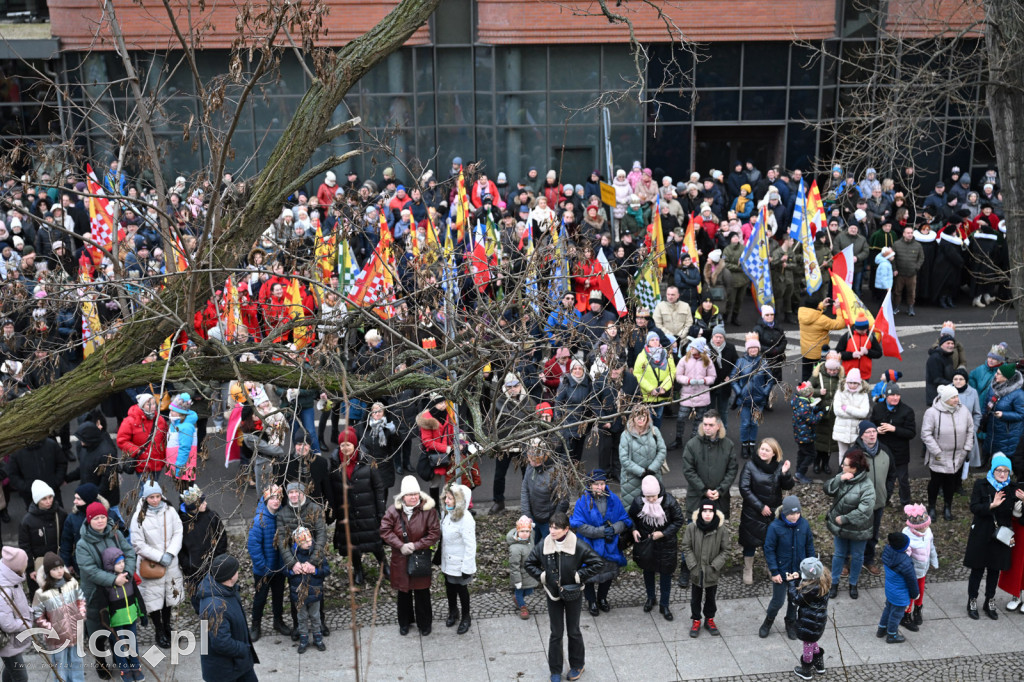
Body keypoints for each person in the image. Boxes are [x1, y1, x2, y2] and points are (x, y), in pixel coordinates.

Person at [525, 510, 603, 682]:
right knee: (556, 632)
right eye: (551, 527)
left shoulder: (578, 545)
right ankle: (555, 670)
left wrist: (579, 576)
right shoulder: (544, 545)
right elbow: (529, 563)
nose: (552, 531)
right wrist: (543, 577)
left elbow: (597, 563)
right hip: (553, 594)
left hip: (573, 593)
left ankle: (577, 665)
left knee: (573, 631)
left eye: (557, 528)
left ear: (566, 529)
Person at [76, 503, 135, 681]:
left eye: (102, 517)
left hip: (118, 590)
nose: (100, 521)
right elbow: (90, 570)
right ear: (89, 520)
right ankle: (101, 662)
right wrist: (113, 579)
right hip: (96, 593)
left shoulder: (115, 533)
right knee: (97, 631)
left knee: (117, 626)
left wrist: (128, 573)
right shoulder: (82, 544)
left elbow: (129, 552)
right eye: (96, 518)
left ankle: (119, 657)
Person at [679, 409, 736, 589]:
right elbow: (688, 470)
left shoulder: (728, 445)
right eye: (705, 424)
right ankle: (686, 569)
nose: (707, 428)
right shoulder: (692, 444)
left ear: (719, 426)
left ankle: (712, 568)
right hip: (697, 498)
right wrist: (704, 490)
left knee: (716, 536)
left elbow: (732, 470)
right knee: (692, 535)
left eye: (711, 425)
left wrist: (721, 490)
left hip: (719, 499)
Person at [379, 476, 441, 636]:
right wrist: (400, 545)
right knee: (403, 592)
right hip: (400, 558)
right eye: (409, 494)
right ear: (402, 496)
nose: (413, 497)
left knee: (422, 593)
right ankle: (405, 622)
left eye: (416, 493)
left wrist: (415, 545)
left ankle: (425, 623)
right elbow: (385, 530)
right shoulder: (393, 510)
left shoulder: (429, 510)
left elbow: (434, 533)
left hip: (420, 557)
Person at [129, 479, 184, 650]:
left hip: (170, 563)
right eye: (151, 497)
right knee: (154, 601)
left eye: (157, 496)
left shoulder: (170, 511)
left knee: (168, 598)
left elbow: (178, 531)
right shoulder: (139, 516)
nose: (155, 500)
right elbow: (138, 543)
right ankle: (159, 631)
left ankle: (167, 627)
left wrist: (170, 553)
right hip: (152, 566)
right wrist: (160, 556)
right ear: (145, 498)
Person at [329, 427, 387, 587]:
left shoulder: (367, 461)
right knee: (352, 544)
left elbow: (379, 487)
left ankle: (384, 566)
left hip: (367, 509)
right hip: (347, 511)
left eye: (348, 444)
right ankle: (358, 570)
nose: (345, 448)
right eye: (342, 445)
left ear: (355, 445)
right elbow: (332, 489)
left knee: (375, 541)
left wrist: (380, 511)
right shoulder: (334, 464)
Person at [570, 469, 631, 617]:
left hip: (610, 546)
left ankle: (602, 598)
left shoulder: (614, 499)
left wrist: (614, 529)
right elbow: (579, 525)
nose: (599, 487)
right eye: (596, 484)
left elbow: (624, 519)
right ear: (590, 485)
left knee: (608, 574)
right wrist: (601, 532)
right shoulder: (582, 501)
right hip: (588, 546)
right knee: (588, 577)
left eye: (602, 484)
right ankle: (591, 601)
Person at [964, 454, 1017, 620]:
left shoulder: (1011, 489)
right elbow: (974, 507)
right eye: (999, 470)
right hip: (981, 533)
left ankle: (989, 600)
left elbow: (1016, 515)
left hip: (1000, 536)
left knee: (994, 570)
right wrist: (991, 505)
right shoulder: (982, 485)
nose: (1002, 474)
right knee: (977, 569)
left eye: (1006, 471)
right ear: (993, 470)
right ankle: (972, 600)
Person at [738, 438, 794, 585]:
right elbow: (744, 488)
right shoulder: (750, 465)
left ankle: (771, 567)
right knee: (750, 541)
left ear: (774, 453)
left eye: (767, 450)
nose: (763, 452)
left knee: (770, 542)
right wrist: (760, 506)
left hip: (773, 513)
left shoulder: (779, 466)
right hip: (753, 512)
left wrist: (785, 474)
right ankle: (748, 568)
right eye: (762, 449)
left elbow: (787, 486)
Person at [628, 475, 684, 621]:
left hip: (666, 544)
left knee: (666, 574)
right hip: (648, 543)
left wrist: (663, 533)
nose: (651, 500)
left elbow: (679, 520)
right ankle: (650, 598)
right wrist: (634, 529)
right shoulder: (638, 502)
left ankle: (664, 604)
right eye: (648, 497)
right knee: (648, 571)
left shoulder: (670, 502)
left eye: (653, 496)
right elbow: (631, 518)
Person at [197, 554, 259, 682]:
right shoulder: (217, 607)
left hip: (238, 664)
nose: (238, 572)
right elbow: (221, 642)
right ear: (230, 576)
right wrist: (243, 649)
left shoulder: (224, 590)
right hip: (225, 671)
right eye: (236, 570)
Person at [824, 449, 875, 600]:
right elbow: (827, 489)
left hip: (859, 529)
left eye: (845, 465)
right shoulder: (843, 477)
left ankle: (853, 583)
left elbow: (865, 510)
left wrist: (845, 519)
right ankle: (834, 583)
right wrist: (839, 478)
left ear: (855, 468)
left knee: (858, 556)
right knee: (839, 554)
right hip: (841, 527)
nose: (841, 466)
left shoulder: (867, 486)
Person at [761, 495, 815, 640]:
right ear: (784, 513)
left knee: (794, 600)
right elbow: (769, 549)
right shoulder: (775, 527)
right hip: (781, 571)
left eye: (797, 513)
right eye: (791, 513)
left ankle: (790, 623)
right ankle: (768, 621)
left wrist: (811, 567)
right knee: (777, 601)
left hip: (799, 572)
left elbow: (809, 545)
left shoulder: (804, 524)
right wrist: (774, 571)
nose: (795, 516)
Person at [922, 384, 974, 521]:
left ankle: (947, 507)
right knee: (935, 482)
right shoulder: (932, 413)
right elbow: (926, 434)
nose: (957, 399)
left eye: (957, 396)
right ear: (945, 399)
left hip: (957, 456)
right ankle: (932, 507)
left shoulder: (964, 411)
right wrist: (937, 452)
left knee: (950, 483)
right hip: (938, 456)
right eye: (953, 397)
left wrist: (967, 448)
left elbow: (970, 429)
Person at [31, 552, 87, 682]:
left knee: (76, 662)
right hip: (57, 637)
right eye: (55, 569)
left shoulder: (72, 583)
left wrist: (81, 615)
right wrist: (51, 629)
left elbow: (81, 600)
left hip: (75, 632)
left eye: (61, 567)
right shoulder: (41, 593)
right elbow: (38, 616)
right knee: (60, 665)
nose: (59, 571)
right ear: (48, 572)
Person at [246, 484, 291, 641]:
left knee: (278, 595)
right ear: (266, 500)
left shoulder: (282, 516)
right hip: (263, 569)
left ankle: (278, 621)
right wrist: (263, 566)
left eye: (278, 497)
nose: (276, 501)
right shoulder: (259, 521)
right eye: (272, 498)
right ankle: (255, 625)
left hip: (279, 567)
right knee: (260, 598)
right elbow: (253, 546)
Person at [681, 501, 730, 638]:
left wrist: (715, 565)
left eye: (710, 511)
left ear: (714, 513)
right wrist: (692, 565)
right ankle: (696, 620)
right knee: (695, 598)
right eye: (705, 511)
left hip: (712, 572)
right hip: (696, 571)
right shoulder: (692, 527)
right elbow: (686, 546)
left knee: (711, 597)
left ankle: (709, 620)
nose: (707, 514)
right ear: (700, 512)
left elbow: (726, 550)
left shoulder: (721, 530)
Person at [180, 485, 229, 613]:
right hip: (193, 570)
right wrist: (187, 564)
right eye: (202, 502)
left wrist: (217, 557)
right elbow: (179, 547)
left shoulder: (211, 516)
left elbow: (222, 537)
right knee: (197, 597)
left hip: (213, 565)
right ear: (194, 507)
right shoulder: (181, 523)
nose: (206, 503)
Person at [855, 422, 895, 576]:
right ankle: (846, 560)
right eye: (868, 432)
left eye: (874, 431)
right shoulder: (854, 453)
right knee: (852, 533)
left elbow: (892, 474)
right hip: (858, 505)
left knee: (873, 534)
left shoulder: (885, 451)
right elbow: (843, 477)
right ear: (861, 435)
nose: (872, 434)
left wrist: (887, 493)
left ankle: (868, 559)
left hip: (878, 502)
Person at [98, 547, 144, 679]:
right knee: (120, 646)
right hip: (116, 621)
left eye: (123, 562)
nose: (122, 565)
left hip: (131, 618)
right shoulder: (106, 583)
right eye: (118, 563)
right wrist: (107, 624)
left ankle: (136, 666)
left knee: (133, 643)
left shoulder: (129, 577)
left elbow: (137, 596)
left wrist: (142, 614)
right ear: (110, 565)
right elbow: (103, 606)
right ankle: (125, 670)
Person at [17, 480, 66, 597]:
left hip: (58, 563)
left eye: (50, 497)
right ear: (37, 500)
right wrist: (30, 569)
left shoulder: (61, 514)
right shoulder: (27, 521)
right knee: (42, 598)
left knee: (62, 595)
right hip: (38, 566)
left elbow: (66, 539)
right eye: (44, 499)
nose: (49, 501)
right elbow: (24, 546)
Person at [871, 382, 917, 506]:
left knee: (902, 480)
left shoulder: (907, 411)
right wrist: (876, 430)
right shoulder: (878, 408)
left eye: (898, 395)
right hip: (883, 451)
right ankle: (884, 501)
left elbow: (911, 433)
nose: (895, 397)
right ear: (886, 396)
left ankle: (905, 503)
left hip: (900, 452)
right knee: (883, 478)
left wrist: (894, 429)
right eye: (892, 395)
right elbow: (871, 425)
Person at [440, 484, 476, 635]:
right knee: (450, 588)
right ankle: (453, 612)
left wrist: (467, 568)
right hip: (448, 561)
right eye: (446, 497)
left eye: (450, 498)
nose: (446, 501)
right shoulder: (447, 514)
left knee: (462, 590)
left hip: (460, 564)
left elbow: (470, 545)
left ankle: (466, 617)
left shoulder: (466, 519)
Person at [730, 333, 772, 459]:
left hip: (759, 399)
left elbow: (770, 380)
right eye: (751, 348)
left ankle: (752, 444)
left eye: (755, 348)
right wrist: (738, 391)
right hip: (744, 399)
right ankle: (744, 445)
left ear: (758, 349)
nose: (753, 350)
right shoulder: (741, 361)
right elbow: (733, 378)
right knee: (745, 423)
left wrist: (765, 392)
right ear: (747, 349)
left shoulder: (764, 362)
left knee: (754, 423)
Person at [287, 526, 328, 653]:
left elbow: (326, 570)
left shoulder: (317, 553)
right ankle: (303, 639)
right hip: (298, 593)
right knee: (301, 617)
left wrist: (315, 570)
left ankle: (317, 638)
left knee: (316, 616)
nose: (309, 543)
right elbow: (285, 571)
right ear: (297, 542)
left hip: (314, 592)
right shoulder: (292, 556)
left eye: (310, 540)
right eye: (304, 542)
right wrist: (294, 571)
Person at [672, 338, 717, 448]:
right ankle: (678, 439)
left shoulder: (708, 361)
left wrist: (704, 381)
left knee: (699, 420)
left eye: (693, 347)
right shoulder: (684, 360)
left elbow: (712, 376)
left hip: (702, 394)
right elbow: (678, 376)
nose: (691, 349)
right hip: (687, 394)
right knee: (681, 418)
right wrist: (688, 380)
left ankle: (693, 440)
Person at [618, 406, 667, 507]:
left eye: (643, 416)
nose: (641, 419)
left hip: (653, 475)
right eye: (637, 416)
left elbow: (662, 450)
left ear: (648, 417)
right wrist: (641, 472)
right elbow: (624, 458)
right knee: (633, 509)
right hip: (631, 479)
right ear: (632, 417)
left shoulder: (655, 431)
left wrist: (652, 469)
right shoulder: (625, 434)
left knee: (654, 508)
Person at [790, 557, 831, 679]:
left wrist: (792, 583)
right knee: (812, 641)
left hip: (808, 623)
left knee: (807, 644)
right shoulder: (823, 581)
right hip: (818, 621)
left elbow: (796, 599)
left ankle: (806, 670)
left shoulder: (809, 590)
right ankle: (819, 666)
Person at [877, 532, 920, 644]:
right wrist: (915, 594)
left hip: (890, 590)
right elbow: (912, 580)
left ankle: (881, 629)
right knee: (896, 615)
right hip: (900, 594)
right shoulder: (905, 562)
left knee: (888, 609)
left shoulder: (887, 551)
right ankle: (892, 635)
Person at [521, 444, 567, 545]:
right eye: (530, 460)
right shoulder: (531, 467)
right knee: (532, 547)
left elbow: (563, 500)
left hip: (548, 521)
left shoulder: (556, 473)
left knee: (550, 549)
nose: (532, 464)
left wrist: (554, 523)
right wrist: (526, 514)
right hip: (533, 517)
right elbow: (525, 489)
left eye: (535, 461)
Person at [902, 504, 938, 629]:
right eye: (925, 525)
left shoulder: (927, 532)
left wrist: (934, 560)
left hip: (923, 569)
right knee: (912, 592)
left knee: (920, 591)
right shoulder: (907, 536)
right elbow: (905, 555)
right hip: (912, 571)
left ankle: (918, 609)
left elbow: (931, 547)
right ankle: (906, 614)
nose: (928, 526)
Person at [981, 363, 1024, 462]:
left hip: (1007, 433)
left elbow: (1021, 414)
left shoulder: (1019, 394)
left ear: (1007, 378)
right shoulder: (994, 387)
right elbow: (986, 404)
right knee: (990, 445)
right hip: (992, 427)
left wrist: (1004, 415)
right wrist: (983, 417)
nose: (996, 375)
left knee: (1003, 455)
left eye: (999, 374)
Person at [0, 547, 31, 682]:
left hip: (12, 641)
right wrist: (26, 623)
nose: (27, 565)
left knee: (10, 670)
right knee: (21, 677)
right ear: (17, 566)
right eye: (25, 562)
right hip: (7, 642)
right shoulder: (5, 589)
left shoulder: (12, 580)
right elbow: (7, 624)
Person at [810, 351, 844, 474]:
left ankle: (825, 464)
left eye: (835, 370)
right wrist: (819, 392)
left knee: (829, 443)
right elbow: (805, 389)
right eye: (830, 370)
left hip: (834, 416)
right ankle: (816, 463)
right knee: (819, 442)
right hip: (820, 414)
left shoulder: (841, 378)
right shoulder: (817, 375)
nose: (832, 372)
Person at [633, 331, 675, 427]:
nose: (655, 342)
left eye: (657, 339)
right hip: (647, 396)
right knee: (647, 422)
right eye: (652, 340)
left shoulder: (667, 354)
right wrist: (651, 389)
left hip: (661, 395)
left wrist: (664, 387)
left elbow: (672, 372)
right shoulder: (642, 356)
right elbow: (637, 374)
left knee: (658, 419)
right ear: (648, 342)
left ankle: (656, 439)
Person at [832, 368, 871, 463]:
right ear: (846, 381)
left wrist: (847, 409)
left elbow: (864, 413)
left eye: (855, 383)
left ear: (859, 383)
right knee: (842, 454)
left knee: (855, 454)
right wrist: (856, 413)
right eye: (850, 382)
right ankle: (842, 472)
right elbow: (837, 411)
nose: (852, 385)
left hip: (856, 430)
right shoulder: (840, 392)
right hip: (841, 429)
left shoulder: (863, 394)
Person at [790, 382, 823, 483]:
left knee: (802, 453)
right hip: (806, 436)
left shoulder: (798, 401)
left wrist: (816, 408)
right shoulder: (804, 406)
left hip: (799, 435)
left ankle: (797, 472)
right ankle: (800, 473)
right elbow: (812, 419)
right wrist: (821, 413)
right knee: (811, 454)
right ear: (808, 394)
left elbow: (808, 410)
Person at [507, 516, 539, 620]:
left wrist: (531, 525)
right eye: (522, 531)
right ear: (517, 531)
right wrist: (517, 580)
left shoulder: (530, 539)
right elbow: (514, 566)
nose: (525, 533)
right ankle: (523, 607)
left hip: (529, 573)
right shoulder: (515, 548)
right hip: (520, 576)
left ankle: (517, 598)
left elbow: (532, 532)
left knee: (530, 591)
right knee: (519, 592)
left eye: (527, 531)